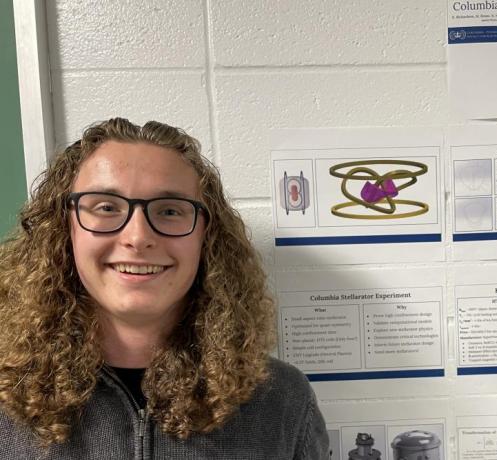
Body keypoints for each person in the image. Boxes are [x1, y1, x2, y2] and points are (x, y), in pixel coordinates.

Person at [0, 118, 330, 459]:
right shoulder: (5, 400)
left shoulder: (282, 401)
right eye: (106, 207)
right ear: (63, 229)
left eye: (170, 210)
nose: (138, 237)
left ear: (207, 236)